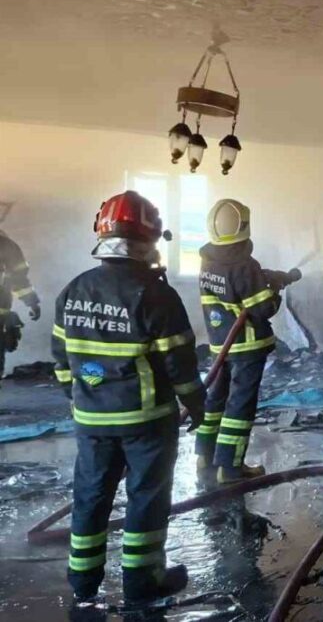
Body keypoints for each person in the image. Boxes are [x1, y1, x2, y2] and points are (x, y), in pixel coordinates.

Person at [52, 190, 206, 609]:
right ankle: (142, 581)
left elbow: (62, 359)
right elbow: (180, 364)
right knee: (147, 497)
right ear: (150, 239)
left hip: (91, 420)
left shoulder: (74, 289)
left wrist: (78, 398)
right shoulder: (156, 295)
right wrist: (197, 404)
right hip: (146, 422)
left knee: (91, 495)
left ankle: (83, 582)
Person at [195, 198, 280, 485]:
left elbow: (231, 289)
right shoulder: (245, 265)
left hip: (220, 344)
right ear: (243, 225)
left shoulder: (208, 260)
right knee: (240, 406)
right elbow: (263, 308)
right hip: (247, 345)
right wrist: (274, 293)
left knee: (215, 400)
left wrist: (263, 279)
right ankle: (230, 468)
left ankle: (205, 455)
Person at [0, 230, 41, 381]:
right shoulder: (7, 245)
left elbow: (18, 280)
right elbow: (19, 279)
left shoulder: (6, 245)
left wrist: (32, 302)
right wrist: (32, 303)